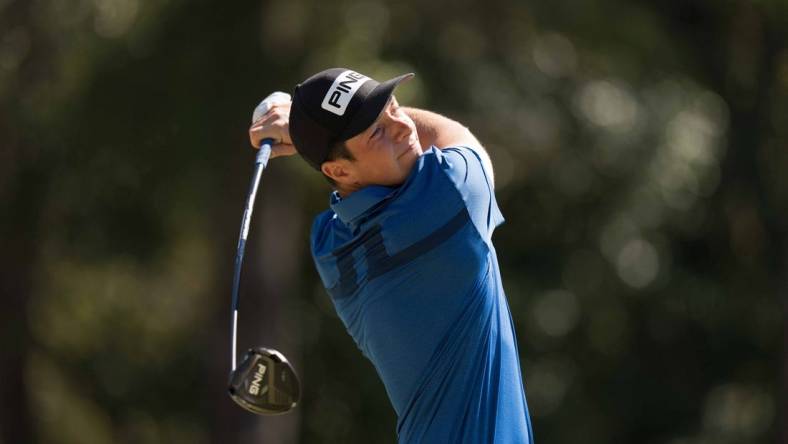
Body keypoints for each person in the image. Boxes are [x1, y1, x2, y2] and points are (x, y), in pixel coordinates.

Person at [249, 68, 533, 443]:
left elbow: (351, 173)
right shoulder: (449, 197)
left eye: (393, 107)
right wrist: (299, 134)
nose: (402, 127)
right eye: (378, 131)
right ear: (337, 169)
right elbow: (454, 136)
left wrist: (310, 134)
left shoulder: (328, 246)